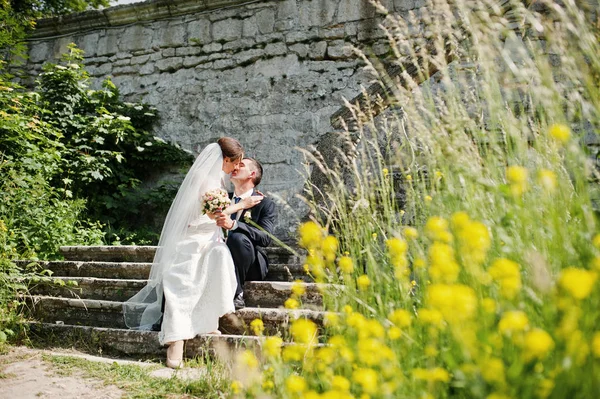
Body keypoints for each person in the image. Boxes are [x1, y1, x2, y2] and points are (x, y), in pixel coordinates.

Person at [122, 137, 262, 369]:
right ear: (225, 159)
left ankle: (207, 321)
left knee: (219, 256)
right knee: (184, 282)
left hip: (209, 239)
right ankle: (175, 341)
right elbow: (212, 216)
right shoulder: (202, 179)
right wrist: (240, 206)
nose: (235, 168)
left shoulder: (217, 179)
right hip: (191, 238)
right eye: (234, 163)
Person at [215, 157, 276, 309]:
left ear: (252, 174)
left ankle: (237, 293)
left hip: (250, 263)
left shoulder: (264, 203)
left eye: (241, 165)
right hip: (218, 257)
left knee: (237, 238)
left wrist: (235, 225)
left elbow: (266, 238)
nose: (235, 167)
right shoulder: (221, 199)